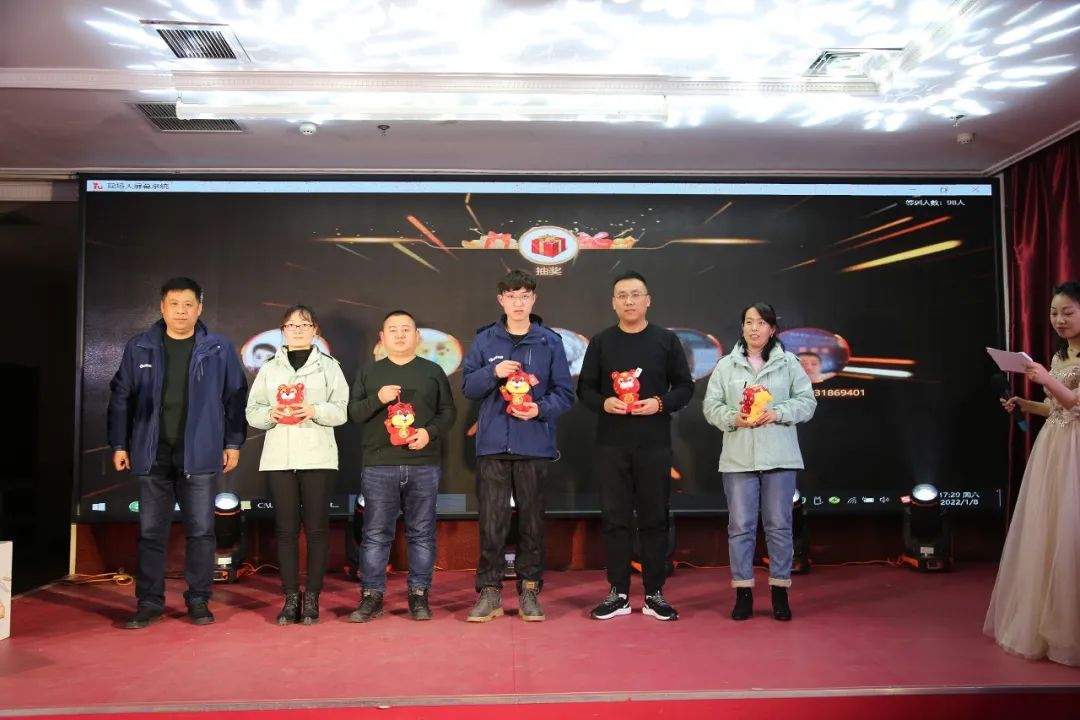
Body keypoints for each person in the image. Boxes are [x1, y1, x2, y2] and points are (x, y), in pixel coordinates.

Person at [107, 277, 247, 629]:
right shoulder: (140, 347)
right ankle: (149, 602)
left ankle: (198, 599)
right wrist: (120, 444)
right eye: (174, 304)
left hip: (199, 454)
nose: (181, 311)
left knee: (201, 532)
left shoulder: (218, 348)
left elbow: (235, 397)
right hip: (152, 453)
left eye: (188, 305)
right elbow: (121, 397)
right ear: (162, 307)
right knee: (151, 533)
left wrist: (232, 443)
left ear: (199, 309)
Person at [578, 271, 695, 621]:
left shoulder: (665, 341)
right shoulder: (601, 342)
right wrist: (604, 402)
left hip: (653, 443)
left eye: (635, 294)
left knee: (654, 519)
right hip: (611, 444)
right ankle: (618, 593)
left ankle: (655, 593)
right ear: (613, 303)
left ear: (648, 300)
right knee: (614, 519)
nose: (629, 301)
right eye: (622, 295)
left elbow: (685, 387)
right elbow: (584, 389)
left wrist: (659, 403)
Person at [461, 270, 574, 622]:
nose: (518, 302)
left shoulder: (549, 341)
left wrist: (539, 408)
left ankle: (529, 590)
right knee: (491, 522)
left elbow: (564, 393)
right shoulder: (485, 340)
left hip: (534, 444)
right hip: (493, 444)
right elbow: (468, 387)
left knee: (532, 522)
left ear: (533, 299)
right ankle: (490, 592)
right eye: (511, 296)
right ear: (501, 300)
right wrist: (492, 373)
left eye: (524, 295)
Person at [985, 280, 1080, 666]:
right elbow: (1055, 407)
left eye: (1068, 312)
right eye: (1054, 313)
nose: (1059, 320)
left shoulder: (1055, 365)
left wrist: (1046, 378)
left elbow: (1075, 403)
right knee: (1050, 532)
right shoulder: (1059, 356)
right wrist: (1025, 402)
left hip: (1076, 449)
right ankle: (1048, 626)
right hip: (1053, 449)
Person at [703, 302, 816, 622]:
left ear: (772, 329)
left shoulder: (789, 363)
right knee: (741, 527)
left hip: (780, 457)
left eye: (761, 322)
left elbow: (807, 403)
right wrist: (733, 418)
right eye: (749, 322)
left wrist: (777, 413)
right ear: (742, 327)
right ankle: (743, 594)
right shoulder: (726, 366)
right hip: (738, 460)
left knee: (779, 526)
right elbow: (711, 407)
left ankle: (780, 592)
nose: (754, 328)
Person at [346, 310, 457, 622]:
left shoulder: (432, 371)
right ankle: (371, 596)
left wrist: (429, 433)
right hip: (379, 465)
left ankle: (419, 595)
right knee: (375, 533)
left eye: (406, 329)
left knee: (422, 533)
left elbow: (448, 412)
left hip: (423, 464)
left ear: (417, 336)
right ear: (382, 337)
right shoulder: (369, 372)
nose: (399, 335)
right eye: (393, 330)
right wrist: (378, 399)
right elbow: (354, 413)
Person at [245, 305, 348, 625]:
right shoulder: (270, 367)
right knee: (286, 530)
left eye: (304, 325)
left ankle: (312, 596)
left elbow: (342, 410)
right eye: (291, 325)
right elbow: (252, 411)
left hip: (318, 457)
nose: (298, 330)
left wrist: (314, 410)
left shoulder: (329, 366)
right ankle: (291, 596)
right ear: (283, 331)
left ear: (315, 330)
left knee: (317, 529)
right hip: (280, 457)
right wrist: (271, 414)